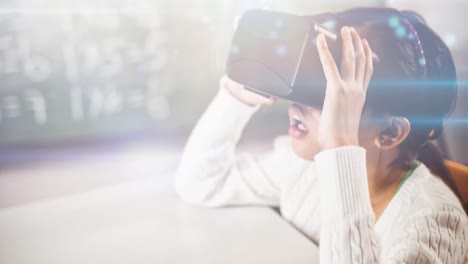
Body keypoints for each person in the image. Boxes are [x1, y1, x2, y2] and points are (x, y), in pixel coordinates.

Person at [175, 7, 468, 263]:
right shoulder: (303, 167)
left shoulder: (434, 223)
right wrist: (237, 97)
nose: (297, 103)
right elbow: (201, 182)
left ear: (390, 131)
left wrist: (340, 149)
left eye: (332, 88)